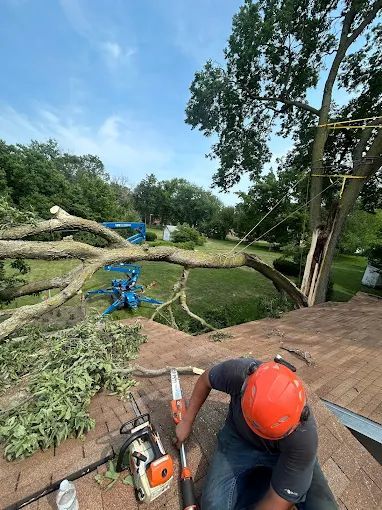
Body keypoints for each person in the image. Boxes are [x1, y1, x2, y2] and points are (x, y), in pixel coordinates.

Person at [175, 357, 338, 510]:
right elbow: (205, 379)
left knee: (323, 506)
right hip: (238, 439)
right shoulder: (239, 373)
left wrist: (285, 489)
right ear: (245, 389)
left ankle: (273, 484)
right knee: (213, 505)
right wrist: (187, 421)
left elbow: (280, 501)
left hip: (283, 454)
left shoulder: (304, 438)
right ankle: (268, 485)